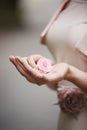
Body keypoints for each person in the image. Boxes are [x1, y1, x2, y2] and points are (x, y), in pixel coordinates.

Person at [9, 0, 87, 129]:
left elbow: (69, 70)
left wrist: (69, 72)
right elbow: (68, 65)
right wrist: (48, 69)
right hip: (68, 121)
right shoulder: (68, 3)